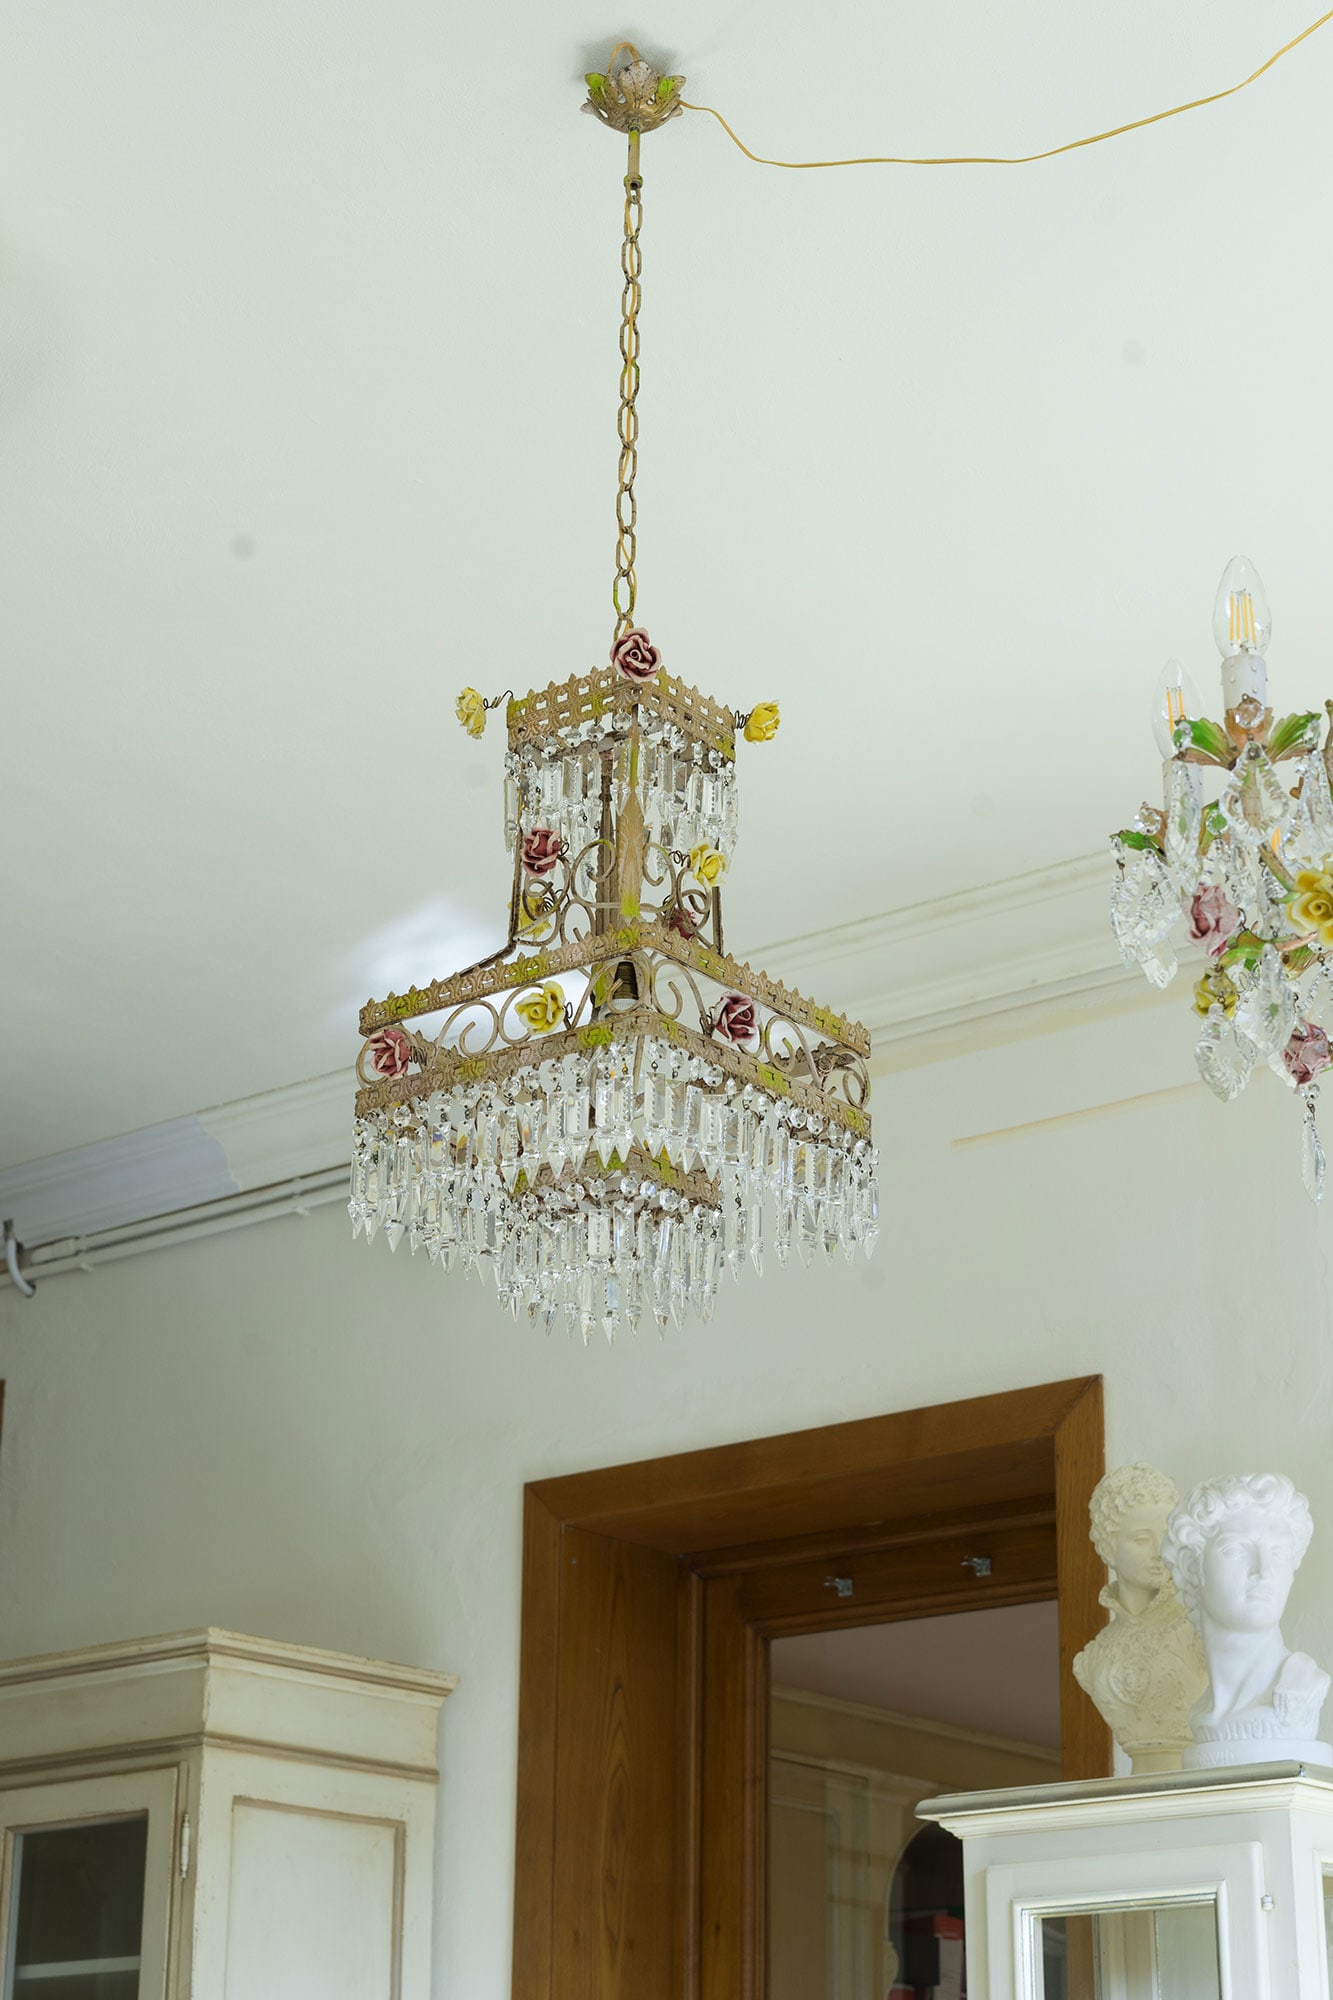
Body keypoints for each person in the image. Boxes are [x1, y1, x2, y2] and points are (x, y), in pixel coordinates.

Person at [1162, 1472, 1331, 1768]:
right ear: (1191, 1567)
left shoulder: (1301, 1687)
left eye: (1278, 1552)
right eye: (1235, 1550)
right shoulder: (1201, 1712)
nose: (1263, 1571)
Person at [1072, 1463, 1207, 1772]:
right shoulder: (1094, 1656)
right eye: (1142, 1539)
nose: (1159, 1551)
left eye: (1165, 1536)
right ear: (1109, 1547)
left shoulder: (1200, 1628)